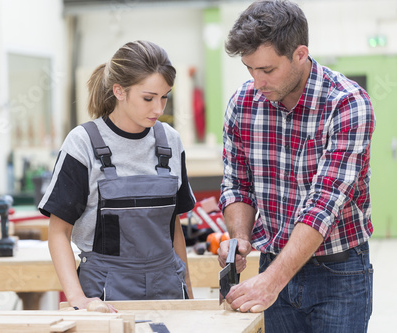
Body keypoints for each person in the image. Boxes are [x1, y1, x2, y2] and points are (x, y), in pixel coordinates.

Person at [217, 1, 375, 332]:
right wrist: (241, 237)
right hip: (272, 261)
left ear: (300, 54)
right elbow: (237, 183)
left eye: (267, 70)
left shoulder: (346, 104)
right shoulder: (242, 104)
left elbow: (323, 205)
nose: (257, 82)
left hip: (338, 273)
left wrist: (271, 281)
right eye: (250, 69)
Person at [39, 40, 196, 312]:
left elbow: (174, 228)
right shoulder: (83, 143)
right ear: (119, 91)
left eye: (165, 97)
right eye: (148, 98)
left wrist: (189, 296)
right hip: (105, 292)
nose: (158, 109)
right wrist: (77, 299)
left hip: (167, 288)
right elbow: (58, 232)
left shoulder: (171, 141)